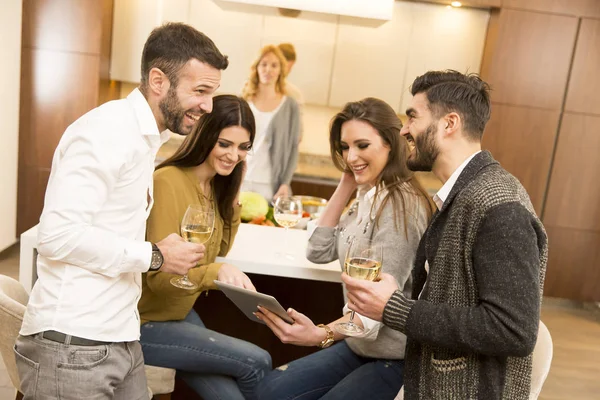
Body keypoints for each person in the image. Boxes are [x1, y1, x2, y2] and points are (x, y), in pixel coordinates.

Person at [14, 23, 228, 399]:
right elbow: (58, 236)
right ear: (158, 80)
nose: (208, 106)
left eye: (212, 93)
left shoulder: (143, 138)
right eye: (200, 91)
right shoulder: (107, 132)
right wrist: (155, 255)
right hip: (73, 344)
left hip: (119, 337)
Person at [344, 70, 548, 399]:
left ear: (448, 123)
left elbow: (513, 329)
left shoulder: (498, 206)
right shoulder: (463, 194)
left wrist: (396, 308)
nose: (404, 129)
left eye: (413, 117)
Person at [254, 98, 434, 399]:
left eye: (362, 145)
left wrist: (319, 334)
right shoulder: (369, 195)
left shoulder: (400, 206)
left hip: (394, 357)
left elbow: (376, 310)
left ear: (391, 144)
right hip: (359, 346)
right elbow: (318, 250)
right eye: (345, 147)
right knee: (270, 390)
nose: (351, 156)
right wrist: (346, 185)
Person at [138, 94, 272, 400]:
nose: (233, 154)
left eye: (242, 147)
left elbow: (221, 246)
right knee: (257, 360)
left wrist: (236, 184)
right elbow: (161, 281)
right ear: (205, 136)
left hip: (179, 312)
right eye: (224, 144)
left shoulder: (212, 185)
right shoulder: (168, 181)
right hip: (147, 322)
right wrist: (215, 272)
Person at [241, 45, 301, 201]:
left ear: (281, 70)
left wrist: (285, 183)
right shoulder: (243, 101)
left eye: (274, 65)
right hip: (240, 180)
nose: (268, 69)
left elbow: (294, 148)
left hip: (269, 185)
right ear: (256, 68)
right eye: (264, 64)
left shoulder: (290, 106)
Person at [277, 42, 305, 141]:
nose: (287, 72)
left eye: (290, 68)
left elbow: (298, 133)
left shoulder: (295, 94)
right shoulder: (251, 89)